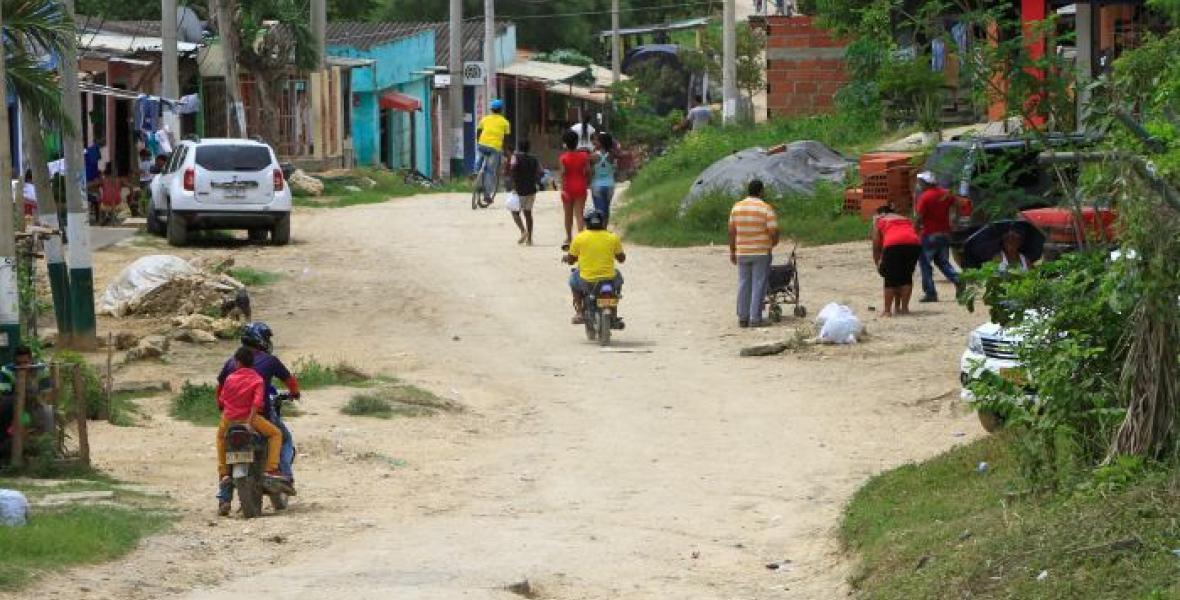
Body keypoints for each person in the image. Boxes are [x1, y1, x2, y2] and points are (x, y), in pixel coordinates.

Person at [215, 322, 300, 516]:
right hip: (255, 418)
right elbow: (285, 385)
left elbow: (220, 392)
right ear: (261, 340)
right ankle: (280, 474)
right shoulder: (267, 364)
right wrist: (295, 393)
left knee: (224, 443)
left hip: (230, 417)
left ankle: (224, 495)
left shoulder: (231, 364)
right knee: (282, 436)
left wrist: (224, 409)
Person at [728, 180, 780, 328]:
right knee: (758, 284)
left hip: (742, 252)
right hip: (761, 252)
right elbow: (773, 230)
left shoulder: (736, 208)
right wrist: (773, 242)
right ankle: (755, 318)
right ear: (761, 191)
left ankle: (742, 317)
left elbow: (732, 231)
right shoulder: (765, 208)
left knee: (744, 283)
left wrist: (732, 251)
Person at [564, 210, 625, 325]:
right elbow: (622, 259)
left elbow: (571, 260)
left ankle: (580, 312)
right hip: (608, 279)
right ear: (603, 222)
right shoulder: (612, 237)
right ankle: (614, 311)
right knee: (619, 277)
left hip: (587, 281)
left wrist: (567, 258)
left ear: (586, 223)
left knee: (573, 280)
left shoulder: (580, 238)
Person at [913, 171, 961, 302]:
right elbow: (957, 203)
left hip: (929, 234)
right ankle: (958, 280)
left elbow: (919, 217)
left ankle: (930, 293)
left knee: (925, 264)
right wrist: (955, 218)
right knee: (943, 262)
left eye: (920, 182)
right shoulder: (946, 193)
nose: (918, 184)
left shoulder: (925, 197)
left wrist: (914, 232)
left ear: (925, 183)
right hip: (945, 233)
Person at [0, 346, 53, 461]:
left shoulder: (41, 369)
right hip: (14, 406)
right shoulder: (7, 370)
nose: (23, 366)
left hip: (36, 403)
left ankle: (48, 450)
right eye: (19, 363)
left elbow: (47, 393)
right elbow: (4, 395)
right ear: (14, 361)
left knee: (48, 412)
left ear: (31, 360)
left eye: (26, 362)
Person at [872, 205, 923, 317]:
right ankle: (903, 308)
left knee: (890, 278)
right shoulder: (904, 219)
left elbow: (876, 245)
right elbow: (915, 231)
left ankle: (887, 311)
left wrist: (878, 263)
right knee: (906, 276)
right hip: (914, 244)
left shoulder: (880, 220)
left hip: (893, 245)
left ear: (881, 213)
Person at [559, 130, 591, 249]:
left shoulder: (563, 158)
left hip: (567, 188)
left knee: (567, 215)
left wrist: (561, 188)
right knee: (579, 214)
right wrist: (586, 181)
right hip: (580, 186)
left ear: (565, 143)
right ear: (577, 142)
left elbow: (563, 173)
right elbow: (588, 171)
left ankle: (568, 238)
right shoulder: (584, 156)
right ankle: (581, 238)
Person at [474, 99, 511, 203]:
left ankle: (475, 171)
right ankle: (486, 195)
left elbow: (478, 131)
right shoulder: (505, 122)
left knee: (479, 159)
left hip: (482, 145)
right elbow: (506, 139)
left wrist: (478, 142)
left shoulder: (485, 119)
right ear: (501, 110)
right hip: (495, 148)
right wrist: (505, 151)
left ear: (491, 109)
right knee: (490, 171)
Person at [508, 140, 543, 245]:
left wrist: (514, 186)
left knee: (514, 212)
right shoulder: (534, 159)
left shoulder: (515, 157)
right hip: (531, 190)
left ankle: (523, 231)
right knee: (528, 214)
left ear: (519, 148)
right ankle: (530, 239)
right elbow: (540, 171)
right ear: (529, 148)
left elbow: (513, 170)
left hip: (520, 190)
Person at [590, 132, 618, 226]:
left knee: (599, 211)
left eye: (597, 140)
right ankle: (605, 229)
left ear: (601, 143)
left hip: (597, 185)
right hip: (610, 185)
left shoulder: (593, 156)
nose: (595, 142)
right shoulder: (613, 154)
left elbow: (590, 172)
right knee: (606, 209)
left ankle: (600, 232)